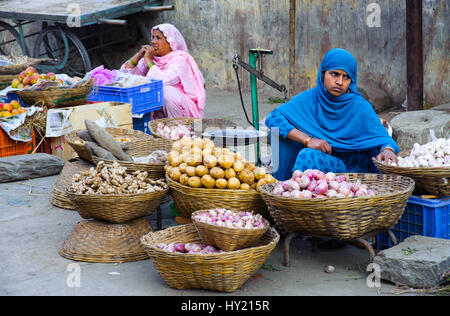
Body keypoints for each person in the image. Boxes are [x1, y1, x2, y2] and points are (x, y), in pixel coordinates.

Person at [265, 48, 399, 180]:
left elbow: (383, 138)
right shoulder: (310, 98)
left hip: (351, 173)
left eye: (346, 77)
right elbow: (274, 118)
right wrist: (308, 140)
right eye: (334, 74)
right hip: (320, 165)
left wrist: (387, 149)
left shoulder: (359, 106)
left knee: (308, 155)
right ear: (323, 74)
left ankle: (296, 196)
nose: (340, 82)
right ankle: (283, 183)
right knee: (279, 134)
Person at [121, 23, 206, 119]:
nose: (153, 42)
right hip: (160, 112)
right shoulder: (152, 58)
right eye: (153, 37)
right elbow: (125, 77)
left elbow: (164, 81)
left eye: (158, 38)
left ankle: (179, 129)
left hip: (184, 111)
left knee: (166, 91)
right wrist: (138, 56)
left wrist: (149, 61)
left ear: (170, 42)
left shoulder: (180, 58)